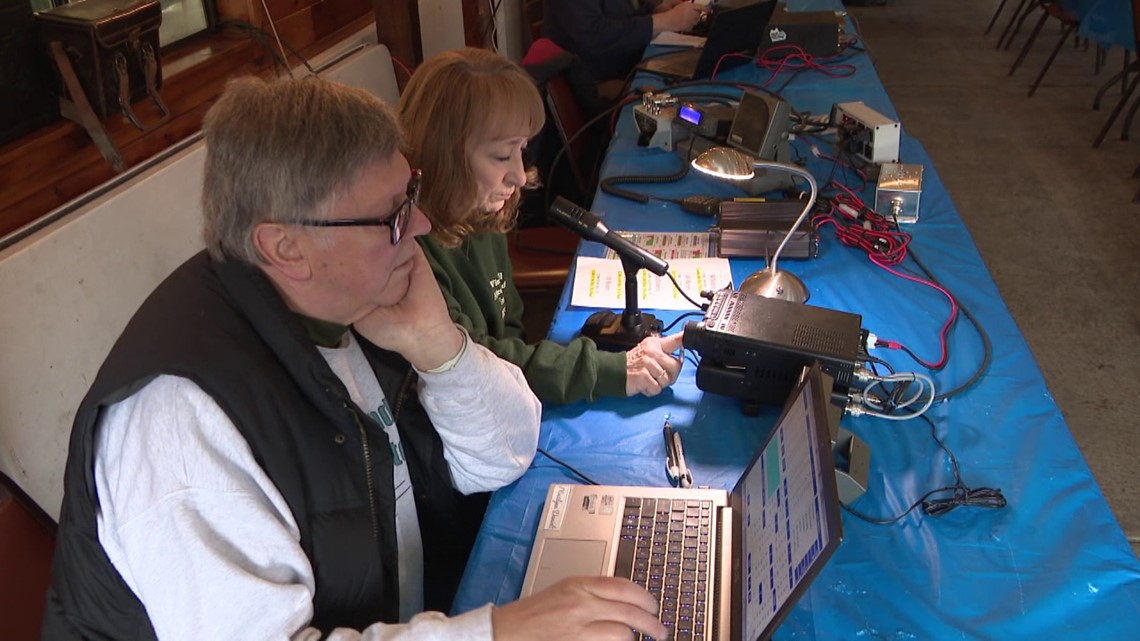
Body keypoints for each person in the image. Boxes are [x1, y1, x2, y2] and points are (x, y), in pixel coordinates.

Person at [41, 75, 667, 641]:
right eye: (393, 215)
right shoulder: (176, 424)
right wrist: (498, 635)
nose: (421, 224)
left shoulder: (355, 303)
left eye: (410, 195)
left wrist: (439, 345)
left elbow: (503, 456)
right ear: (286, 247)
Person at [397, 48, 685, 406]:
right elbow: (474, 362)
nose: (519, 175)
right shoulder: (408, 257)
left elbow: (510, 332)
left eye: (521, 149)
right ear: (445, 155)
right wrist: (607, 370)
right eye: (503, 156)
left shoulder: (480, 211)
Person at [542, 0, 707, 83]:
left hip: (627, 63)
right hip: (597, 80)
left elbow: (621, 12)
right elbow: (594, 35)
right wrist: (665, 21)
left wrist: (657, 10)